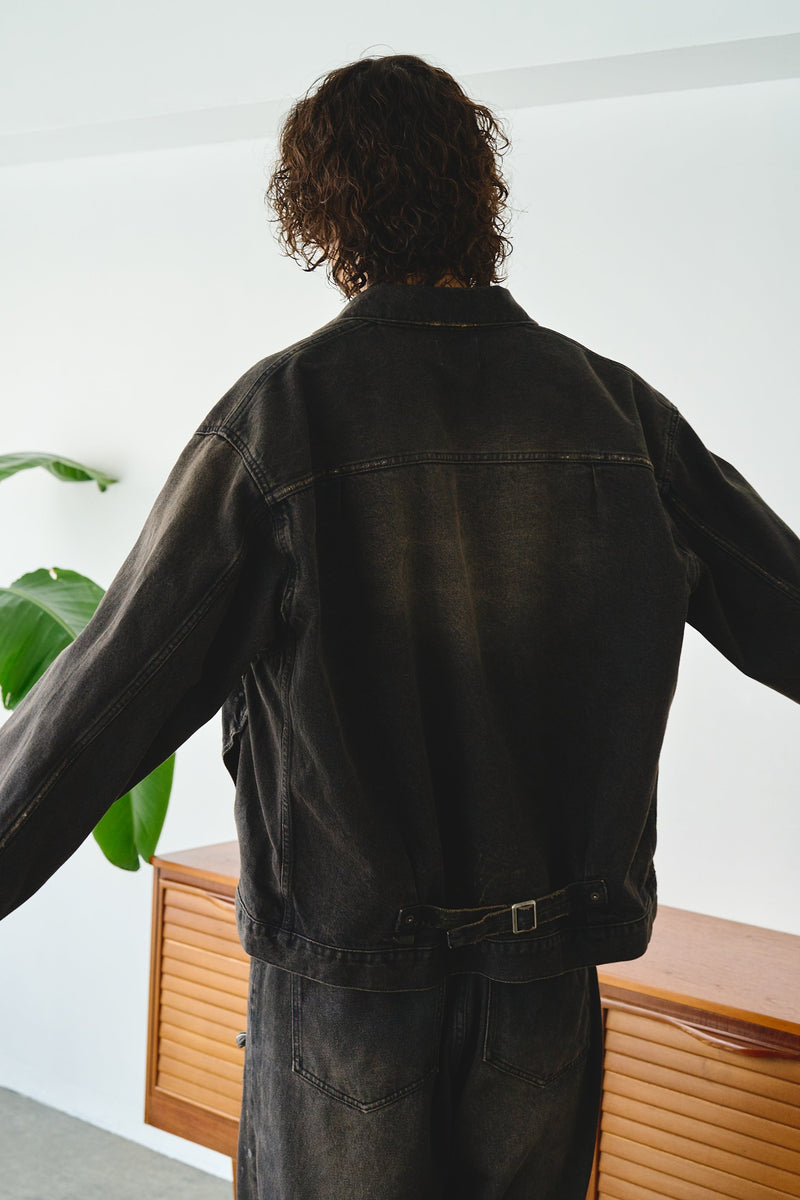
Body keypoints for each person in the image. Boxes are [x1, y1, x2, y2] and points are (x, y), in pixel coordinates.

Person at [1, 52, 798, 1200]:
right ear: (481, 197)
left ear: (322, 216)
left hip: (350, 986)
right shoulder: (616, 412)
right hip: (545, 980)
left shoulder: (282, 418)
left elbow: (106, 696)